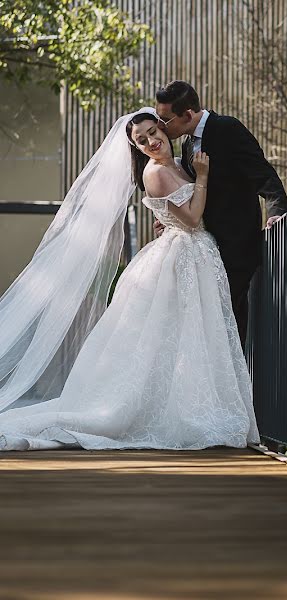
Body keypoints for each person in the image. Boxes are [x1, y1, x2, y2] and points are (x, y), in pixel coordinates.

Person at [0, 108, 259, 451]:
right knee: (179, 334)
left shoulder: (176, 165)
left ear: (164, 130)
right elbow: (194, 220)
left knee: (192, 337)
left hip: (194, 255)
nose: (152, 141)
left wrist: (179, 200)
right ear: (136, 148)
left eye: (154, 132)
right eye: (142, 140)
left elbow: (181, 213)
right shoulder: (156, 173)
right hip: (182, 255)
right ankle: (174, 414)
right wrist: (202, 176)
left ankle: (192, 405)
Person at [154, 81, 287, 347]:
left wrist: (277, 211)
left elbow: (263, 174)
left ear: (188, 115)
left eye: (165, 119)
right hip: (209, 248)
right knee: (217, 326)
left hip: (237, 248)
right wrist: (170, 221)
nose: (161, 126)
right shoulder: (186, 145)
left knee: (227, 326)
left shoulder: (227, 128)